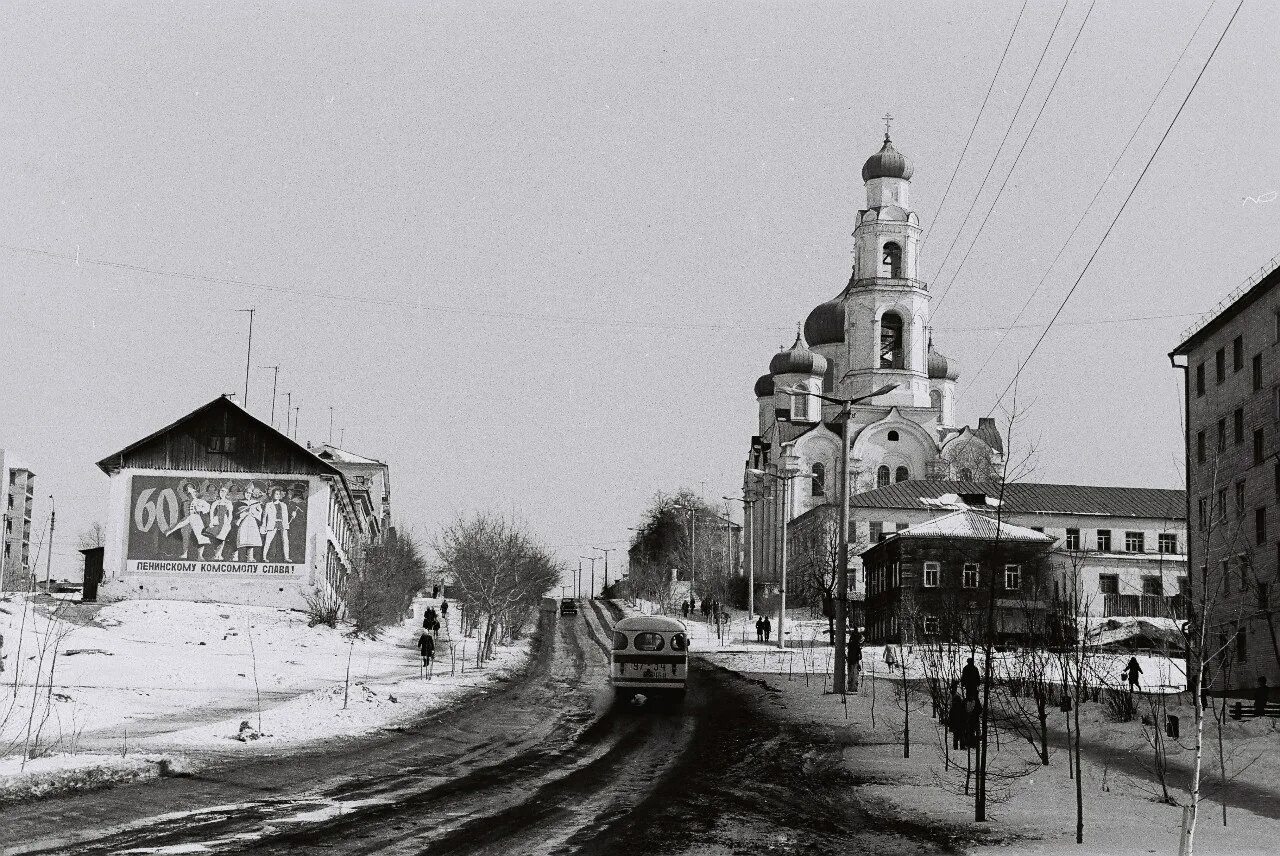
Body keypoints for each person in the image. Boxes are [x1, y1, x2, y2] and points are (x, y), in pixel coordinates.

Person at [260, 486, 295, 563]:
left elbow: (286, 515)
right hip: (272, 524)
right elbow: (264, 516)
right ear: (272, 495)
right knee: (268, 541)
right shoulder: (268, 505)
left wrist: (293, 515)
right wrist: (263, 526)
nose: (277, 495)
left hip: (282, 524)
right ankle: (264, 557)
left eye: (279, 494)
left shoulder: (283, 505)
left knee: (285, 541)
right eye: (276, 494)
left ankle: (286, 557)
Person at [948, 683, 967, 750]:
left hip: (955, 724)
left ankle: (955, 747)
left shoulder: (953, 708)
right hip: (961, 724)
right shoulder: (962, 707)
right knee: (961, 736)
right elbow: (964, 715)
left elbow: (950, 717)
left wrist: (950, 726)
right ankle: (962, 747)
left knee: (956, 736)